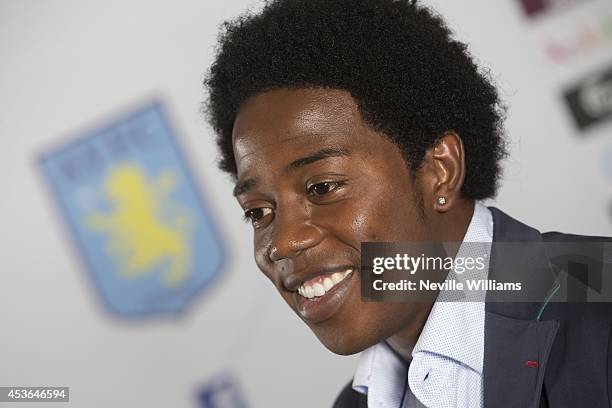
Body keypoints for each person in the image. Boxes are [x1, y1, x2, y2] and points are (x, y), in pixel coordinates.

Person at [203, 0, 612, 406]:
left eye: (322, 187)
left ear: (441, 171)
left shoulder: (601, 299)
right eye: (258, 212)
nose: (283, 242)